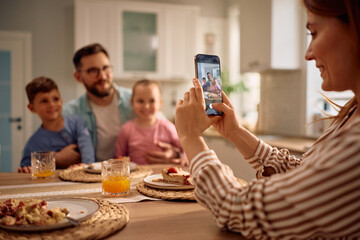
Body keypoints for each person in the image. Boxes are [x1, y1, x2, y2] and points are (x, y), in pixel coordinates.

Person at [174, 0, 360, 239]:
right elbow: (303, 175)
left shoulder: (355, 145)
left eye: (314, 33)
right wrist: (236, 132)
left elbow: (237, 209)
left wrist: (190, 138)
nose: (308, 52)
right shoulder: (353, 113)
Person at [63, 43, 180, 163]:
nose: (102, 76)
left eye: (105, 68)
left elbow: (162, 126)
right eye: (93, 71)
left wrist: (175, 153)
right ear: (78, 77)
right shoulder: (70, 113)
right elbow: (49, 147)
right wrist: (57, 158)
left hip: (132, 175)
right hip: (90, 177)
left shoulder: (137, 99)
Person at [18, 77, 95, 173]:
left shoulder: (77, 123)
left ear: (61, 101)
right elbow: (26, 168)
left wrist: (85, 166)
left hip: (81, 179)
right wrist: (56, 158)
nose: (52, 104)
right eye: (44, 101)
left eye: (56, 99)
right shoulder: (34, 144)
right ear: (32, 108)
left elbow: (88, 153)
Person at [115, 79, 187, 166]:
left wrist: (184, 158)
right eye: (140, 101)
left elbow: (185, 147)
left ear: (160, 103)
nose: (146, 106)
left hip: (163, 176)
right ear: (132, 102)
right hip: (136, 177)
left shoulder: (167, 127)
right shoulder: (126, 129)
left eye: (152, 101)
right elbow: (118, 157)